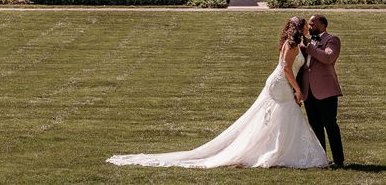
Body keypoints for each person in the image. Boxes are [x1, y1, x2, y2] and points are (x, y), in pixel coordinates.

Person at [107, 17, 328, 169]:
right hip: (281, 83)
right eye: (306, 25)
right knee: (288, 115)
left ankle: (273, 149)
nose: (309, 26)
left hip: (278, 82)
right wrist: (297, 89)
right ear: (300, 28)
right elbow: (287, 68)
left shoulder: (297, 43)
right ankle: (278, 152)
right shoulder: (292, 44)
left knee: (278, 118)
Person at [300, 14, 345, 168]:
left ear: (323, 25)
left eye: (312, 24)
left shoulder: (332, 40)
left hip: (326, 90)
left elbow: (328, 58)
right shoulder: (307, 42)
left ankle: (339, 161)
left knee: (330, 125)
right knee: (315, 126)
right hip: (308, 91)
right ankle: (321, 159)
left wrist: (309, 47)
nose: (309, 26)